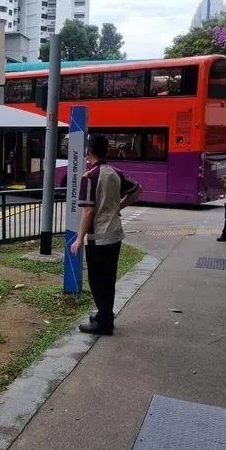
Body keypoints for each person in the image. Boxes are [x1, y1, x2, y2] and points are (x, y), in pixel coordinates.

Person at [70, 133, 142, 336]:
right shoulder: (115, 172)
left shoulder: (89, 177)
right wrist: (119, 206)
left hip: (98, 237)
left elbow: (88, 211)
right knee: (109, 279)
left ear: (88, 152)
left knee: (96, 280)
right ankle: (104, 316)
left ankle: (103, 323)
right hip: (115, 234)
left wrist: (79, 238)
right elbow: (138, 190)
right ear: (106, 150)